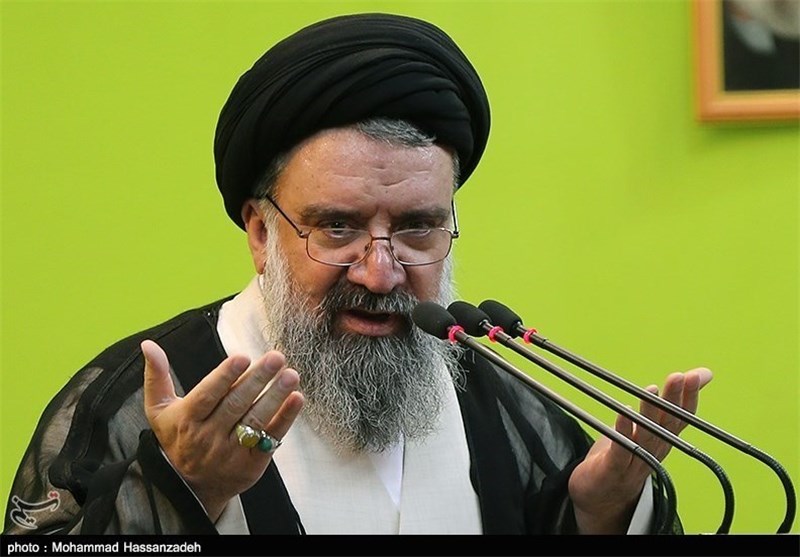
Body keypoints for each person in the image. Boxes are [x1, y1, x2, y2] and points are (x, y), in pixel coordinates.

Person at [3, 13, 711, 536]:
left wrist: (599, 513)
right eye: (338, 228)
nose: (379, 274)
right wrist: (181, 488)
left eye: (417, 227)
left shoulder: (498, 399)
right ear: (261, 232)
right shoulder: (144, 400)